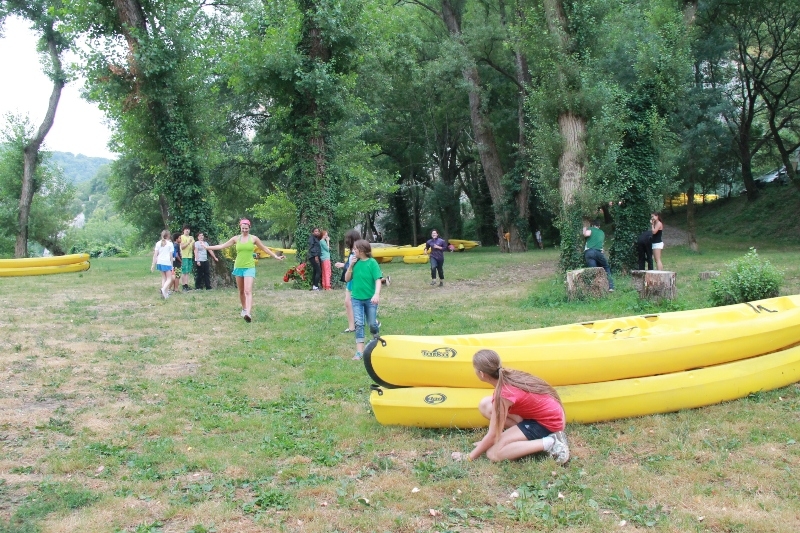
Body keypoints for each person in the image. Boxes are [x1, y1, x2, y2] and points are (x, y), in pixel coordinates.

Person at [462, 349, 569, 464]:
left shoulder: (503, 394)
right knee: (486, 405)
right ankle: (520, 437)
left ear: (482, 374)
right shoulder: (508, 374)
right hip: (552, 414)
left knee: (493, 453)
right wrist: (487, 442)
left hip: (548, 424)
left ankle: (551, 441)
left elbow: (493, 434)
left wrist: (469, 457)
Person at [205, 219, 284, 322]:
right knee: (241, 291)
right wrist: (207, 247)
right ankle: (244, 308)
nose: (245, 230)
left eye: (246, 228)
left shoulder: (254, 239)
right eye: (243, 229)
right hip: (238, 266)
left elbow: (264, 249)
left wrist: (275, 256)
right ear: (240, 228)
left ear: (249, 228)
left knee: (248, 290)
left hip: (249, 267)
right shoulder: (236, 239)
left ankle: (248, 313)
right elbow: (221, 246)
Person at [344, 239, 382, 361]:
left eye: (355, 249)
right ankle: (359, 352)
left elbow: (378, 280)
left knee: (372, 323)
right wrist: (350, 265)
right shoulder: (355, 263)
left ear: (361, 250)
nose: (353, 251)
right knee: (359, 324)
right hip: (356, 299)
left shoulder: (372, 263)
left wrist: (376, 294)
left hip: (370, 299)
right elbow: (347, 279)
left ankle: (375, 341)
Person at [335, 229, 361, 334]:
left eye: (348, 239)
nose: (346, 241)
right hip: (350, 280)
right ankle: (352, 326)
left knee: (356, 302)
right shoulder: (353, 250)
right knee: (348, 302)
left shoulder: (357, 250)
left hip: (355, 280)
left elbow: (357, 266)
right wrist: (344, 265)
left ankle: (374, 322)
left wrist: (343, 265)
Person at [582, 219, 615, 292]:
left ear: (593, 225)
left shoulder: (591, 229)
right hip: (598, 252)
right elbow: (601, 244)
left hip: (589, 252)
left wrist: (584, 228)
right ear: (599, 226)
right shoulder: (602, 233)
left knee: (593, 270)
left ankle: (595, 289)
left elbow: (586, 234)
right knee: (606, 267)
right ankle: (611, 286)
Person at [151, 229, 176, 299]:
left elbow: (155, 255)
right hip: (167, 262)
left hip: (160, 262)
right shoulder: (170, 244)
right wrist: (172, 265)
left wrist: (153, 264)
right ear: (168, 236)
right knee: (169, 278)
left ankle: (164, 294)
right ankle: (164, 289)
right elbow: (171, 256)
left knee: (164, 277)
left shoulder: (158, 243)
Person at [179, 225, 195, 292]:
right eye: (186, 229)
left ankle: (186, 285)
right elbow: (182, 247)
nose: (187, 230)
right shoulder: (182, 237)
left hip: (190, 256)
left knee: (187, 271)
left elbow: (193, 248)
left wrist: (193, 243)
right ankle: (183, 286)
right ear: (183, 230)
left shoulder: (191, 237)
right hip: (184, 256)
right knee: (184, 271)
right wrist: (188, 242)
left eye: (188, 229)